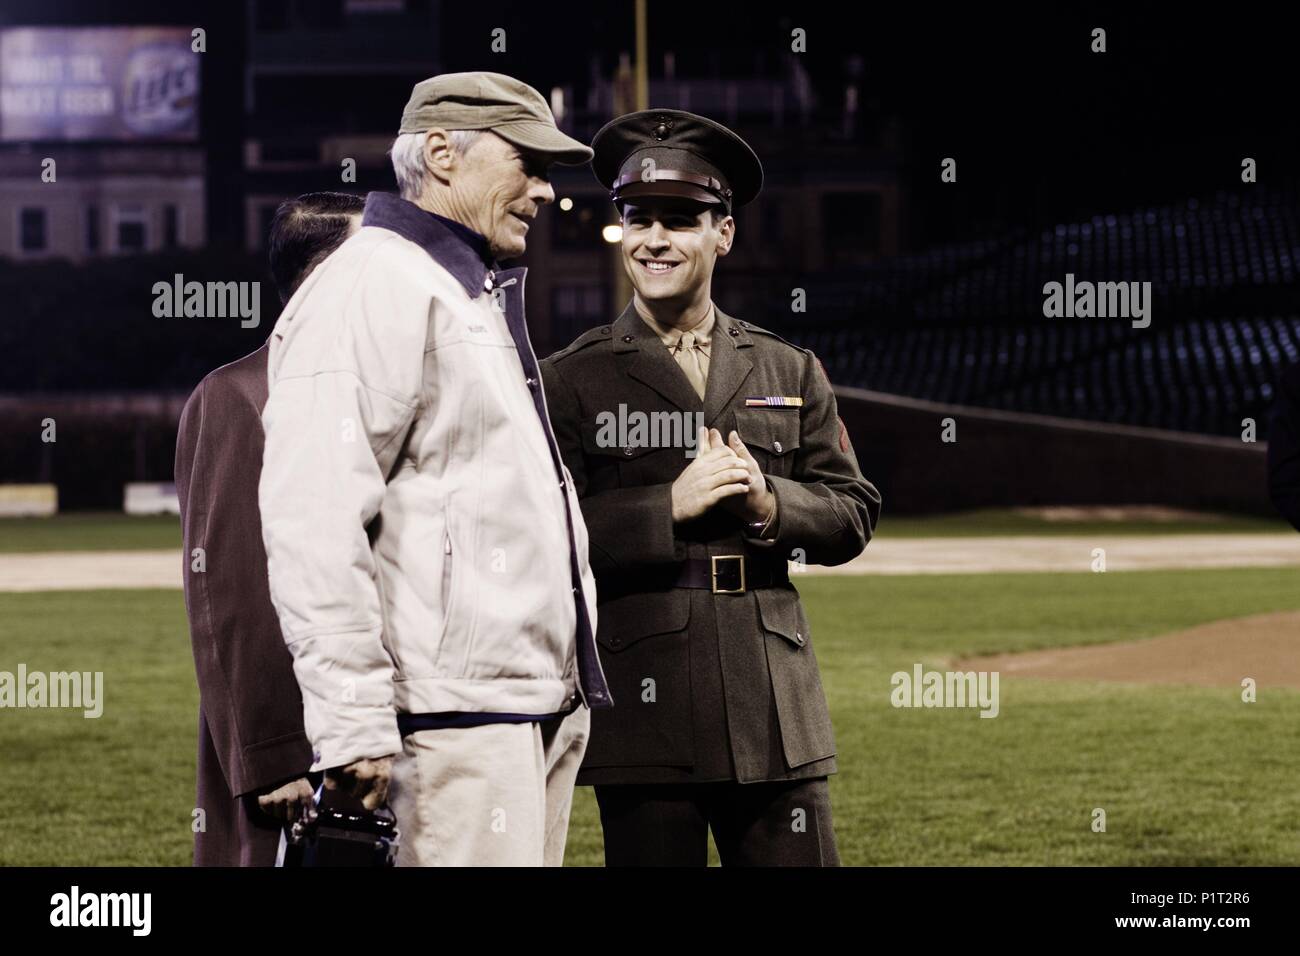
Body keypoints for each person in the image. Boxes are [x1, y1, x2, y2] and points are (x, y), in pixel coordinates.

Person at [257, 72, 609, 867]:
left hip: (512, 709)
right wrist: (352, 724)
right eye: (529, 163)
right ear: (444, 154)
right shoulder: (370, 283)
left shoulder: (461, 287)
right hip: (447, 723)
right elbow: (313, 514)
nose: (549, 192)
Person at [540, 109, 881, 866]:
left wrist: (771, 505)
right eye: (638, 218)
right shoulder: (572, 376)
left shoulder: (787, 368)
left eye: (681, 219)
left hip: (773, 697)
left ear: (723, 232)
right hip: (648, 706)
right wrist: (666, 507)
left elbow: (853, 511)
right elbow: (542, 539)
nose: (654, 239)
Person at [175, 191, 365, 866]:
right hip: (294, 750)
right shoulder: (238, 395)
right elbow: (228, 594)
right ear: (324, 275)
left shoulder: (366, 388)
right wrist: (270, 754)